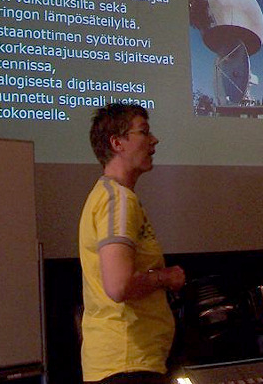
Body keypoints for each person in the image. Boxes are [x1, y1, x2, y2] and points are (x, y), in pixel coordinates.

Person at [79, 103, 186, 384]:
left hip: (127, 362)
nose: (154, 140)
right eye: (144, 132)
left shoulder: (110, 195)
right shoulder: (118, 199)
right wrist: (166, 277)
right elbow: (119, 286)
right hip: (127, 364)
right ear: (117, 143)